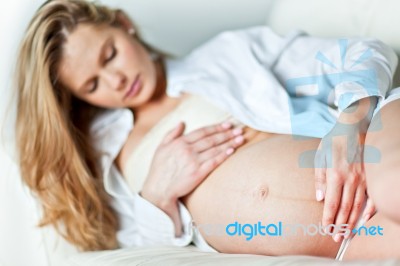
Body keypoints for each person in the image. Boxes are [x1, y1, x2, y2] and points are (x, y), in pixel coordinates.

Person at [14, 0, 400, 260]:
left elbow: (364, 52)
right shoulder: (105, 158)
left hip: (368, 155)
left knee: (393, 188)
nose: (115, 80)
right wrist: (156, 195)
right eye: (92, 85)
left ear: (123, 24)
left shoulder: (225, 54)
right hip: (346, 241)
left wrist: (351, 122)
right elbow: (135, 250)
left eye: (110, 54)